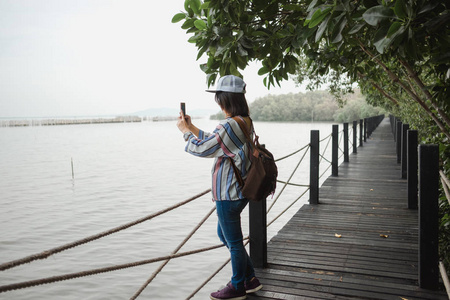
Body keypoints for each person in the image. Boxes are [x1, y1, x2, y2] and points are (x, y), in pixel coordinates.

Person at [176, 75, 263, 300]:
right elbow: (217, 142)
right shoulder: (244, 120)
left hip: (228, 193)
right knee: (224, 235)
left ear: (224, 99)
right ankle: (250, 278)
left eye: (218, 98)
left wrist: (185, 133)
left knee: (233, 242)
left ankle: (237, 287)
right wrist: (192, 127)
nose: (218, 102)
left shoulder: (230, 124)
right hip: (239, 189)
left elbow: (205, 149)